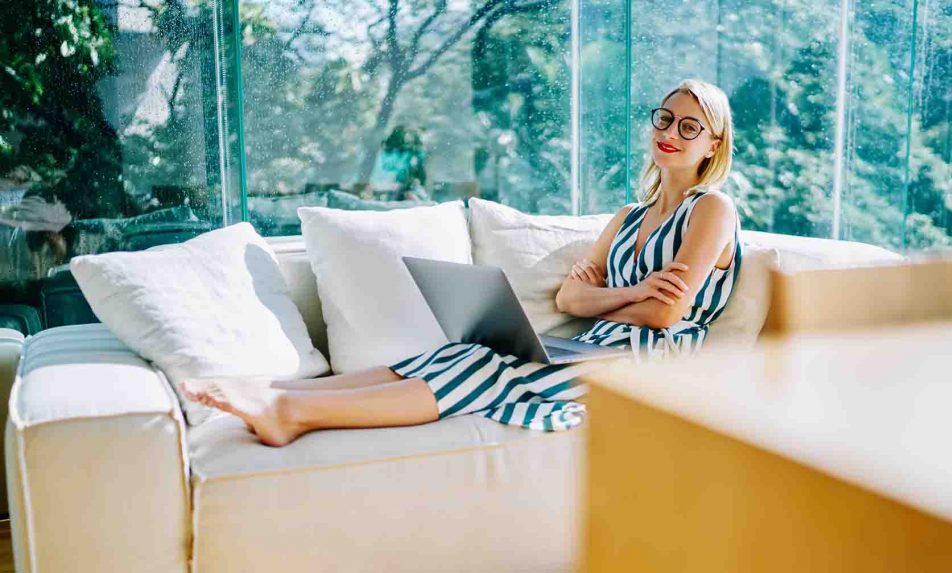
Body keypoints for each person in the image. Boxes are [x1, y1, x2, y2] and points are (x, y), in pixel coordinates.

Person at [182, 79, 743, 447]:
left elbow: (666, 318)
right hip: (597, 345)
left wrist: (626, 299)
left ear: (713, 144)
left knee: (488, 368)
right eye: (664, 119)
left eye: (689, 127)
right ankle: (278, 390)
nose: (670, 133)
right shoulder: (627, 216)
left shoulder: (713, 209)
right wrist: (631, 293)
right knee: (466, 350)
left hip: (651, 370)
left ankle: (292, 414)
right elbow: (570, 301)